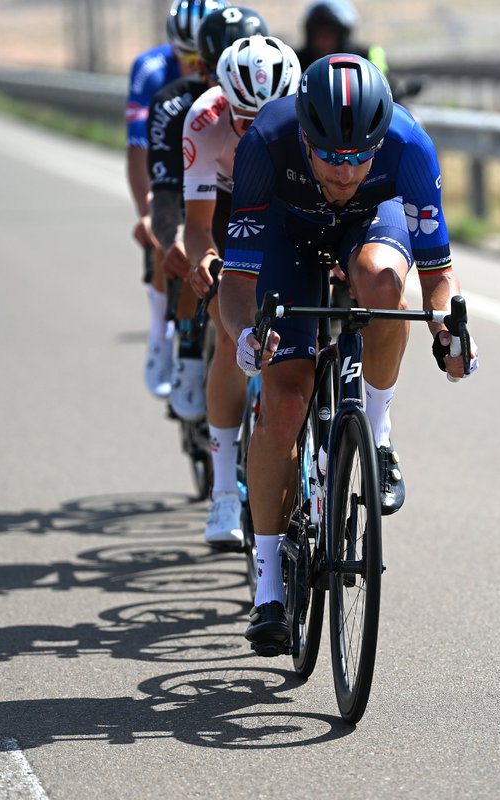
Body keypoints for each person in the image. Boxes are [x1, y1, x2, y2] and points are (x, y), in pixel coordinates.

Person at [216, 54, 478, 654]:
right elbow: (236, 285)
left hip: (369, 228)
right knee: (285, 397)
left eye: (360, 154)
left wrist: (451, 329)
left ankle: (379, 438)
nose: (346, 170)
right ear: (303, 138)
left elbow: (439, 276)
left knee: (385, 288)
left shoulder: (409, 145)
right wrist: (245, 335)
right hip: (289, 237)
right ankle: (269, 588)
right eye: (330, 156)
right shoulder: (265, 143)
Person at [163, 33, 300, 547]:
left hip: (284, 204)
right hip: (225, 207)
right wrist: (206, 259)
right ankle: (223, 492)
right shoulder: (203, 120)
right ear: (223, 99)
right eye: (244, 119)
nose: (256, 128)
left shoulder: (304, 117)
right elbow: (198, 224)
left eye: (267, 115)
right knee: (231, 330)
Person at [127, 0, 229, 399]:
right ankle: (161, 334)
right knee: (162, 234)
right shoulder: (152, 72)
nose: (192, 65)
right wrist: (149, 215)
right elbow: (139, 152)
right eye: (183, 56)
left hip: (216, 176)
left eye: (199, 57)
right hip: (171, 170)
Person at [295, 0, 386, 75]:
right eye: (316, 33)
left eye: (329, 33)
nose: (322, 40)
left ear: (343, 36)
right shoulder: (295, 63)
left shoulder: (368, 60)